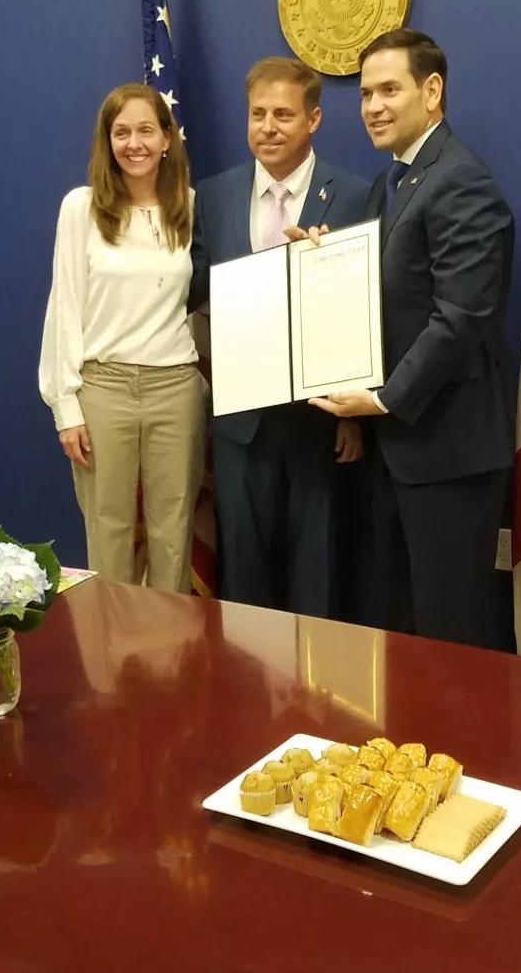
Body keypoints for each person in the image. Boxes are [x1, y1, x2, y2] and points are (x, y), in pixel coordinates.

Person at [303, 29, 516, 650]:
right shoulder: (395, 180)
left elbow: (462, 315)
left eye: (388, 90)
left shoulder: (459, 181)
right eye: (366, 93)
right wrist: (321, 256)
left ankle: (460, 748)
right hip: (401, 448)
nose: (372, 106)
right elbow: (383, 284)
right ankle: (408, 748)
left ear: (432, 91)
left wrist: (385, 399)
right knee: (404, 625)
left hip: (448, 451)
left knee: (449, 629)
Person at [189, 56, 371, 618]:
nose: (267, 127)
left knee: (316, 570)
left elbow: (366, 310)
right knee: (245, 574)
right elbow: (192, 288)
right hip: (241, 423)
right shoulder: (213, 195)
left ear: (313, 119)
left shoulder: (356, 194)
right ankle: (250, 694)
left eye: (283, 115)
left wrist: (352, 414)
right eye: (257, 114)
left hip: (319, 421)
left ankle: (312, 701)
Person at [39, 82, 206, 593]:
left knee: (173, 532)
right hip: (104, 387)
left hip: (176, 387)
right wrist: (64, 405)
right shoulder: (82, 208)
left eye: (145, 130)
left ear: (167, 138)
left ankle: (170, 661)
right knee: (108, 529)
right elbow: (64, 304)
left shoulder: (192, 206)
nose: (133, 143)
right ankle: (111, 665)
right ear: (107, 141)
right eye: (121, 132)